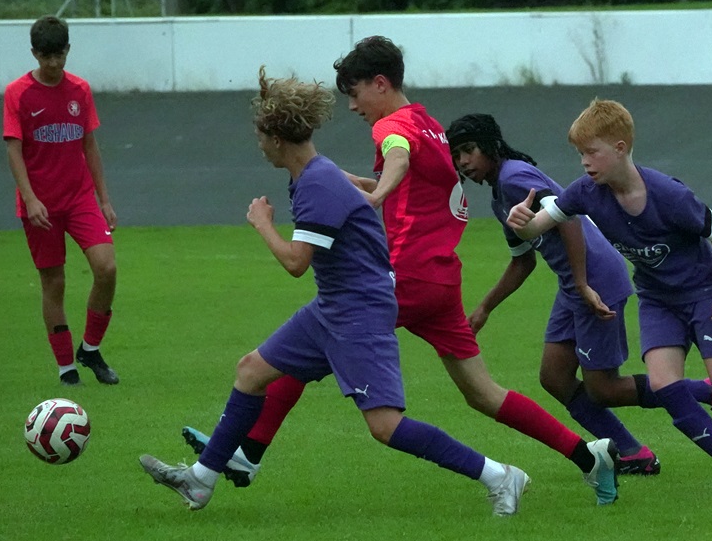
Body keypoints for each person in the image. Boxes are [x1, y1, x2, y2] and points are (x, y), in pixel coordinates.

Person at [181, 36, 620, 506]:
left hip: (402, 276)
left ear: (380, 83)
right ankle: (589, 455)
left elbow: (396, 156)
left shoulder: (393, 126)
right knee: (483, 393)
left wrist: (376, 194)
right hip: (441, 278)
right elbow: (406, 179)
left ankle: (247, 453)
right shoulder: (431, 126)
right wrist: (354, 182)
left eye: (355, 94)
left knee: (314, 338)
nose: (353, 106)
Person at [140, 67, 530, 516]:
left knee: (384, 426)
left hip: (359, 313)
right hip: (332, 307)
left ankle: (500, 475)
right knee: (250, 371)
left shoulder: (317, 184)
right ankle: (201, 480)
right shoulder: (315, 175)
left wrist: (263, 224)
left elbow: (296, 263)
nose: (259, 145)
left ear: (277, 139)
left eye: (261, 137)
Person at [505, 98, 712, 489]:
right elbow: (540, 225)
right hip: (657, 299)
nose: (584, 162)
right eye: (580, 154)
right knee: (665, 386)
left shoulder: (669, 196)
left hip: (703, 292)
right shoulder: (585, 192)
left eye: (591, 152)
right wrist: (522, 224)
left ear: (620, 148)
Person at [445, 113, 712, 476]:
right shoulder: (501, 193)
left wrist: (581, 283)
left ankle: (705, 394)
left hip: (594, 279)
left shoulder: (513, 177)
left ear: (490, 145)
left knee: (603, 389)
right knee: (554, 377)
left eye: (469, 150)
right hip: (575, 283)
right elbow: (522, 262)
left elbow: (568, 218)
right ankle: (633, 451)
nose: (464, 161)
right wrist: (484, 309)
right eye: (457, 155)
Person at [3, 15, 118, 386]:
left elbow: (90, 145)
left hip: (80, 198)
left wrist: (104, 199)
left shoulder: (80, 90)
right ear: (34, 54)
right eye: (46, 56)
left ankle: (91, 349)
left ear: (68, 50)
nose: (53, 63)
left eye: (59, 55)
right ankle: (66, 367)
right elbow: (14, 150)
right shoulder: (18, 93)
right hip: (41, 206)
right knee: (54, 283)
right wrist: (30, 199)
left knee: (107, 268)